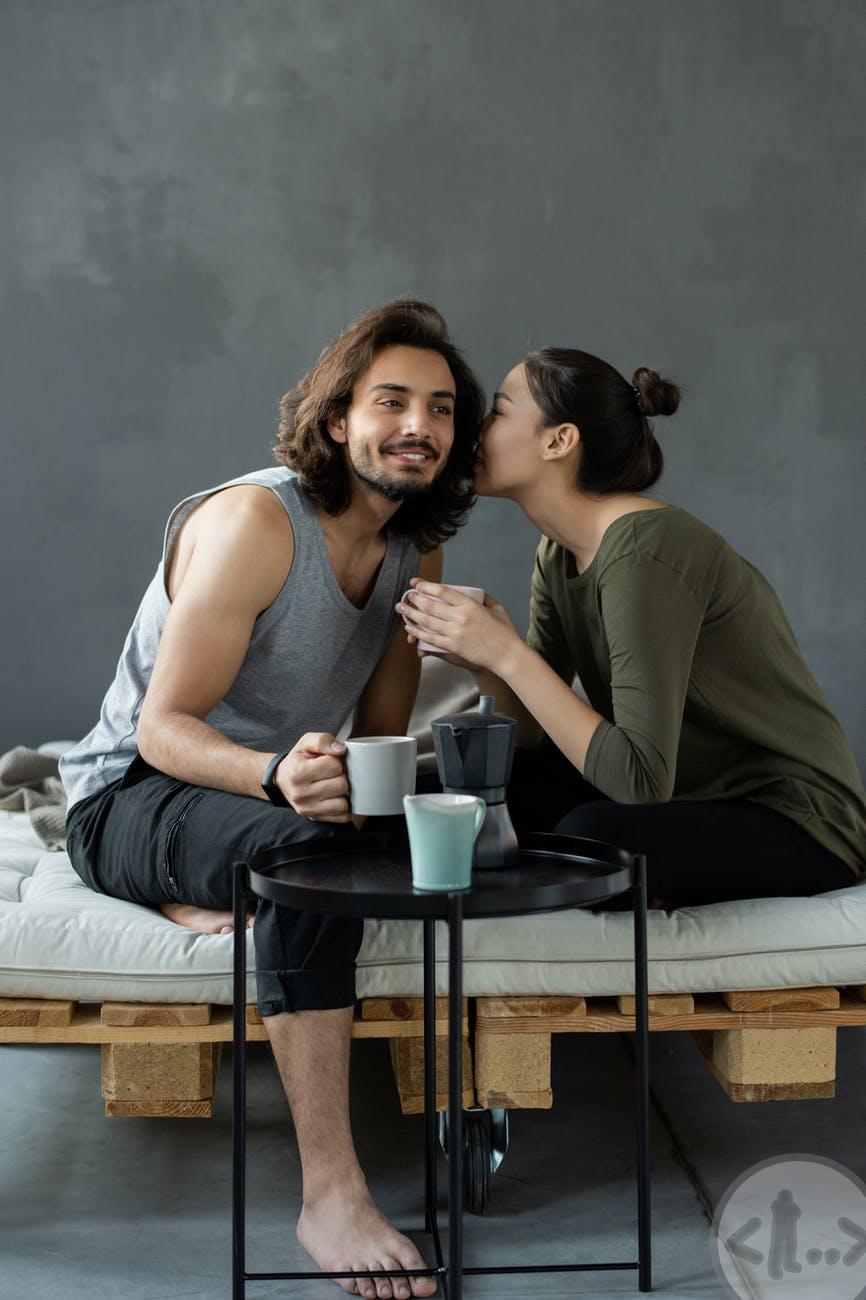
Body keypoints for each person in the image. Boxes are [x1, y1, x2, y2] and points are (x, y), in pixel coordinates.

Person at [60, 298, 485, 1300]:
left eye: (440, 408)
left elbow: (378, 738)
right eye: (390, 401)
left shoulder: (412, 549)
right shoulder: (257, 519)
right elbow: (164, 728)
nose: (417, 426)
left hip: (266, 801)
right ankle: (330, 1193)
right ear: (339, 418)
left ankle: (228, 889)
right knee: (305, 859)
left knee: (443, 825)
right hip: (132, 794)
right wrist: (271, 778)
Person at [398, 347, 866, 909]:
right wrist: (483, 658)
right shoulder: (558, 552)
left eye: (500, 410)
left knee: (593, 841)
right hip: (686, 797)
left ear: (558, 441)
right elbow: (534, 737)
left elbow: (640, 780)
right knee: (445, 800)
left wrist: (507, 654)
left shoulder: (645, 551)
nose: (478, 428)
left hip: (795, 818)